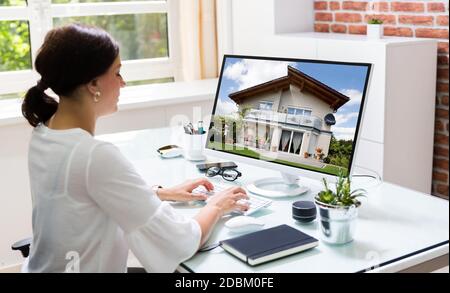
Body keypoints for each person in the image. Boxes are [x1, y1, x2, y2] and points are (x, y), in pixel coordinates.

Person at [21, 23, 249, 273]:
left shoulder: (44, 131)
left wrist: (160, 193)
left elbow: (80, 200)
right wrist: (216, 205)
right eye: (117, 73)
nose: (123, 83)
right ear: (93, 84)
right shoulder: (93, 156)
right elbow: (180, 242)